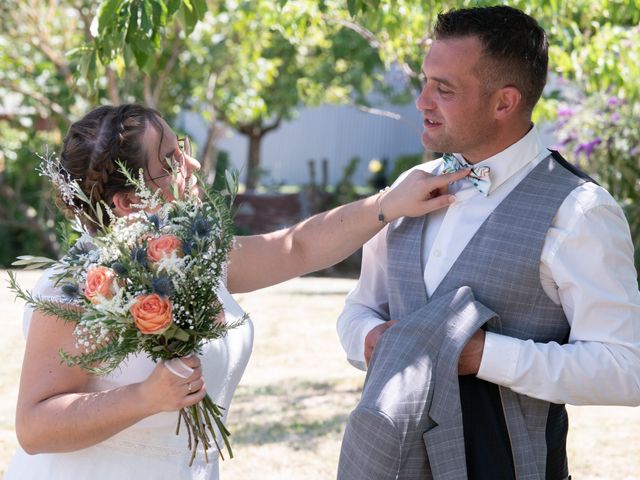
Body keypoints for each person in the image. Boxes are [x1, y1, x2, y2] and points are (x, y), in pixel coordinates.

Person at [4, 103, 468, 480]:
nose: (191, 163)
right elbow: (35, 425)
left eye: (179, 147)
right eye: (169, 161)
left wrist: (389, 203)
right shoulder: (80, 286)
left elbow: (296, 247)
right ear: (128, 202)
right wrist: (144, 398)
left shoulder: (191, 254)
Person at [337, 5, 640, 479]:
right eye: (425, 81)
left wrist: (484, 356)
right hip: (385, 460)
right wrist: (368, 339)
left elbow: (626, 368)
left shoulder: (580, 211)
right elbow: (359, 308)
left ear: (504, 103)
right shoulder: (409, 187)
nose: (421, 102)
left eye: (444, 89)